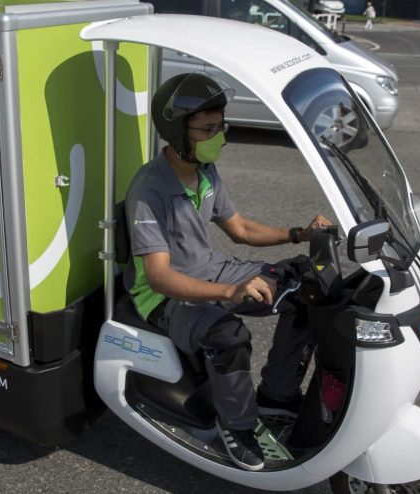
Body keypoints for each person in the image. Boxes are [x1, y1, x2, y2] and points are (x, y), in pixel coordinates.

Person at [124, 73, 331, 471]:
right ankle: (237, 427)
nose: (219, 137)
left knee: (305, 283)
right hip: (165, 297)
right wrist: (229, 294)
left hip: (208, 269)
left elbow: (240, 229)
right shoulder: (150, 188)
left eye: (220, 127)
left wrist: (299, 234)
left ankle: (278, 395)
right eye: (206, 129)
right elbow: (158, 277)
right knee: (228, 335)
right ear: (177, 131)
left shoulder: (205, 171)